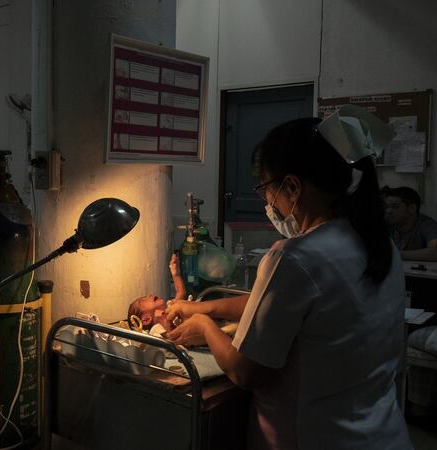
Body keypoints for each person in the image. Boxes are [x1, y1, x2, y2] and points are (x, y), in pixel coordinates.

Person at [164, 113, 410, 448]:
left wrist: (206, 326)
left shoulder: (296, 256)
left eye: (266, 189)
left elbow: (245, 372)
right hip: (382, 434)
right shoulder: (379, 245)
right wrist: (201, 306)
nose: (267, 202)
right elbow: (277, 307)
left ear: (292, 187)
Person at [383, 186, 437, 261]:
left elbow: (435, 252)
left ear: (412, 208)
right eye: (387, 207)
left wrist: (395, 254)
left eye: (394, 207)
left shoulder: (427, 225)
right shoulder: (386, 221)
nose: (388, 211)